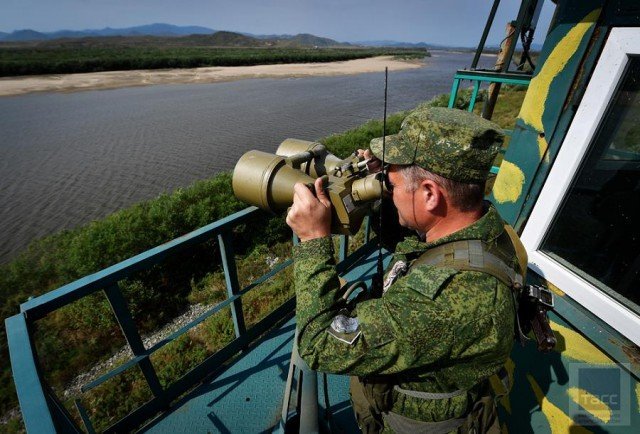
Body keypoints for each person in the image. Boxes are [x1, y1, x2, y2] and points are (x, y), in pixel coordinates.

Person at [286, 107, 525, 434]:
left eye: (392, 183)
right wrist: (387, 182)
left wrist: (314, 239)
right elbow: (411, 238)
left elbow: (318, 345)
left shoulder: (441, 301)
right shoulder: (487, 228)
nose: (387, 187)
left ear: (430, 194)